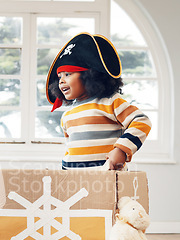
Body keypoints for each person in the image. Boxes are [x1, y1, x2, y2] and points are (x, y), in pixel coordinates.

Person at [46, 32, 152, 170]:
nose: (61, 81)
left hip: (107, 177)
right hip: (75, 181)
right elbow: (71, 149)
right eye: (59, 76)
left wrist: (121, 150)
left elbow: (142, 121)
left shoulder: (110, 102)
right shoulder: (67, 115)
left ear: (88, 75)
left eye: (68, 74)